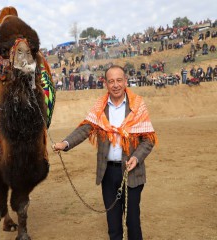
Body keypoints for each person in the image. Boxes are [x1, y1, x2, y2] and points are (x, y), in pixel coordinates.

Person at [53, 65, 157, 240]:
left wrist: (136, 158)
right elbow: (86, 128)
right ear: (106, 84)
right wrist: (65, 143)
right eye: (111, 81)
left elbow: (148, 139)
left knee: (133, 222)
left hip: (132, 173)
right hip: (108, 173)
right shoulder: (100, 107)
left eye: (118, 80)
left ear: (125, 82)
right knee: (113, 225)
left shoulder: (137, 106)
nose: (115, 85)